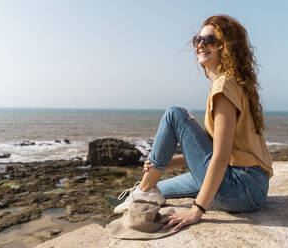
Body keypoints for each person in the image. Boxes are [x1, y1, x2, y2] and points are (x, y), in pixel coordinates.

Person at [114, 15, 273, 232]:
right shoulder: (231, 83)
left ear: (226, 47)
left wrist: (196, 209)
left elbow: (221, 156)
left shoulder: (224, 87)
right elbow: (212, 149)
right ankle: (147, 189)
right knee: (160, 190)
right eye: (198, 40)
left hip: (240, 187)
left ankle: (143, 190)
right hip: (251, 188)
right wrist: (163, 165)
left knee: (174, 115)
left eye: (210, 40)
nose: (201, 45)